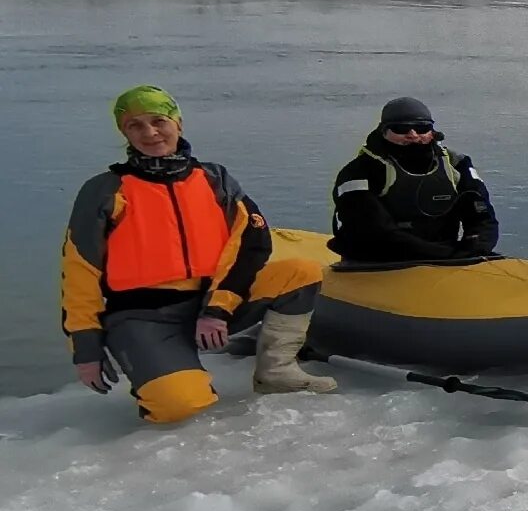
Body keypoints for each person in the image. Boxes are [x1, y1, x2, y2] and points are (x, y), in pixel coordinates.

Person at [61, 84, 337, 424]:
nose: (150, 132)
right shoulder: (104, 190)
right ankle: (160, 374)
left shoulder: (214, 178)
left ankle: (276, 372)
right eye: (135, 125)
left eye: (159, 121)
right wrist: (86, 348)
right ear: (124, 132)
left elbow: (253, 243)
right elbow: (79, 272)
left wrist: (218, 308)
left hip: (211, 306)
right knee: (180, 406)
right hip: (143, 316)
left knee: (301, 271)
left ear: (178, 123)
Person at [328, 96, 500, 264]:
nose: (413, 134)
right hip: (376, 261)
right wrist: (447, 254)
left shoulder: (457, 165)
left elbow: (482, 216)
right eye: (401, 129)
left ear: (432, 132)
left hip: (444, 258)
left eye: (422, 128)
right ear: (383, 131)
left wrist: (476, 247)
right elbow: (373, 230)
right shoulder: (358, 172)